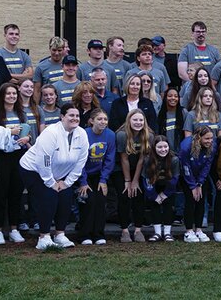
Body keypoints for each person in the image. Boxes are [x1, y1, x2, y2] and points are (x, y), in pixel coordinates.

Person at [21, 104, 88, 249]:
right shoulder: (50, 132)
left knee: (66, 195)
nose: (74, 118)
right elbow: (43, 160)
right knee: (49, 196)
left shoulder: (81, 134)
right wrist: (51, 182)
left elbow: (81, 161)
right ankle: (43, 237)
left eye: (77, 116)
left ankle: (60, 235)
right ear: (62, 117)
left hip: (59, 173)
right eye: (71, 115)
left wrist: (67, 183)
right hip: (33, 170)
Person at [78, 107, 115, 245]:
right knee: (89, 200)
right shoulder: (83, 134)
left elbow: (109, 159)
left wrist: (104, 179)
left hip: (100, 175)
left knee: (100, 201)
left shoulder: (110, 135)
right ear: (91, 121)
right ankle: (84, 234)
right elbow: (79, 160)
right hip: (84, 174)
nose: (103, 122)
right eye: (99, 119)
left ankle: (98, 234)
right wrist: (83, 181)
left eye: (105, 119)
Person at [116, 109, 154, 242]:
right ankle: (124, 230)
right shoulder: (122, 135)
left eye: (140, 120)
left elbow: (142, 159)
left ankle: (138, 230)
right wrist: (128, 181)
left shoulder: (149, 135)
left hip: (139, 168)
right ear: (129, 121)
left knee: (138, 196)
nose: (138, 122)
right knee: (125, 196)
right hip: (121, 169)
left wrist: (135, 180)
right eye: (135, 120)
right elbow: (124, 159)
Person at [141, 136, 182, 242]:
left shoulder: (174, 159)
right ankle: (157, 232)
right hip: (153, 185)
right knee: (155, 205)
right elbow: (146, 179)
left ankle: (167, 233)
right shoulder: (147, 159)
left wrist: (165, 194)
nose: (163, 150)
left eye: (165, 146)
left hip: (168, 186)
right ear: (154, 147)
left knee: (168, 205)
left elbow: (175, 179)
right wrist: (154, 195)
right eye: (160, 147)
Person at [179, 125, 216, 242]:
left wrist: (200, 183)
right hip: (187, 176)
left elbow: (207, 166)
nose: (210, 141)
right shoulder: (186, 147)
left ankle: (198, 229)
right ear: (198, 137)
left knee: (200, 200)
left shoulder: (212, 147)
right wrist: (192, 185)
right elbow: (185, 167)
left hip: (200, 177)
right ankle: (188, 231)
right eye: (207, 139)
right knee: (190, 200)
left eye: (211, 138)